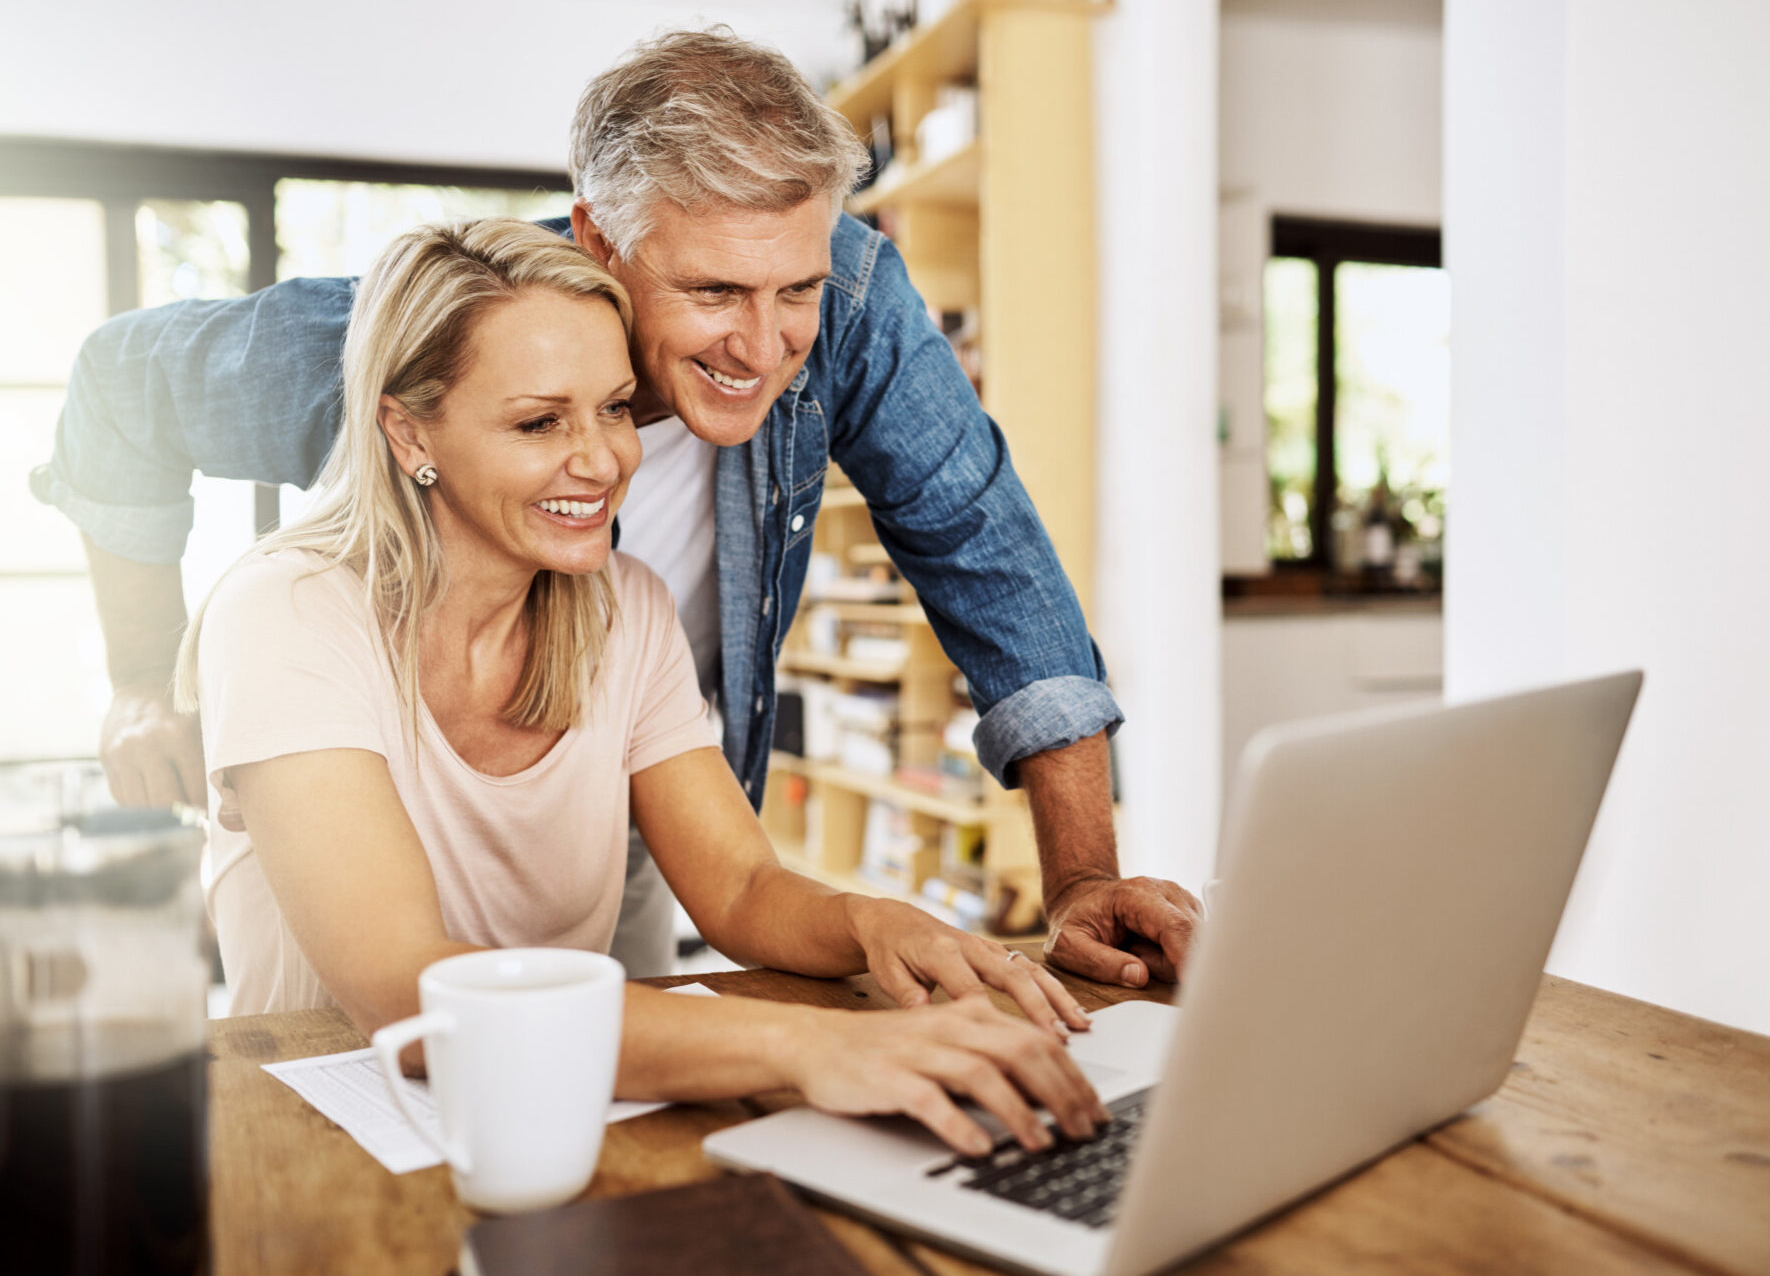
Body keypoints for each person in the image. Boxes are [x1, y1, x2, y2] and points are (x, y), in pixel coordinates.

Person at [34, 27, 1202, 991]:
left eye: (793, 286)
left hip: (633, 793)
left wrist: (1076, 881)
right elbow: (117, 390)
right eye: (710, 291)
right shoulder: (417, 336)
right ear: (598, 235)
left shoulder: (840, 306)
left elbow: (984, 550)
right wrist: (143, 673)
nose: (765, 342)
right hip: (372, 794)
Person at [177, 216, 1107, 1157]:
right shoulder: (286, 610)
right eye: (539, 421)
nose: (601, 460)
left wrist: (875, 923)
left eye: (615, 408)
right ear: (408, 430)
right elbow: (410, 990)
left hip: (557, 1122)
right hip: (324, 1149)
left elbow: (740, 887)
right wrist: (816, 1044)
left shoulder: (626, 608)